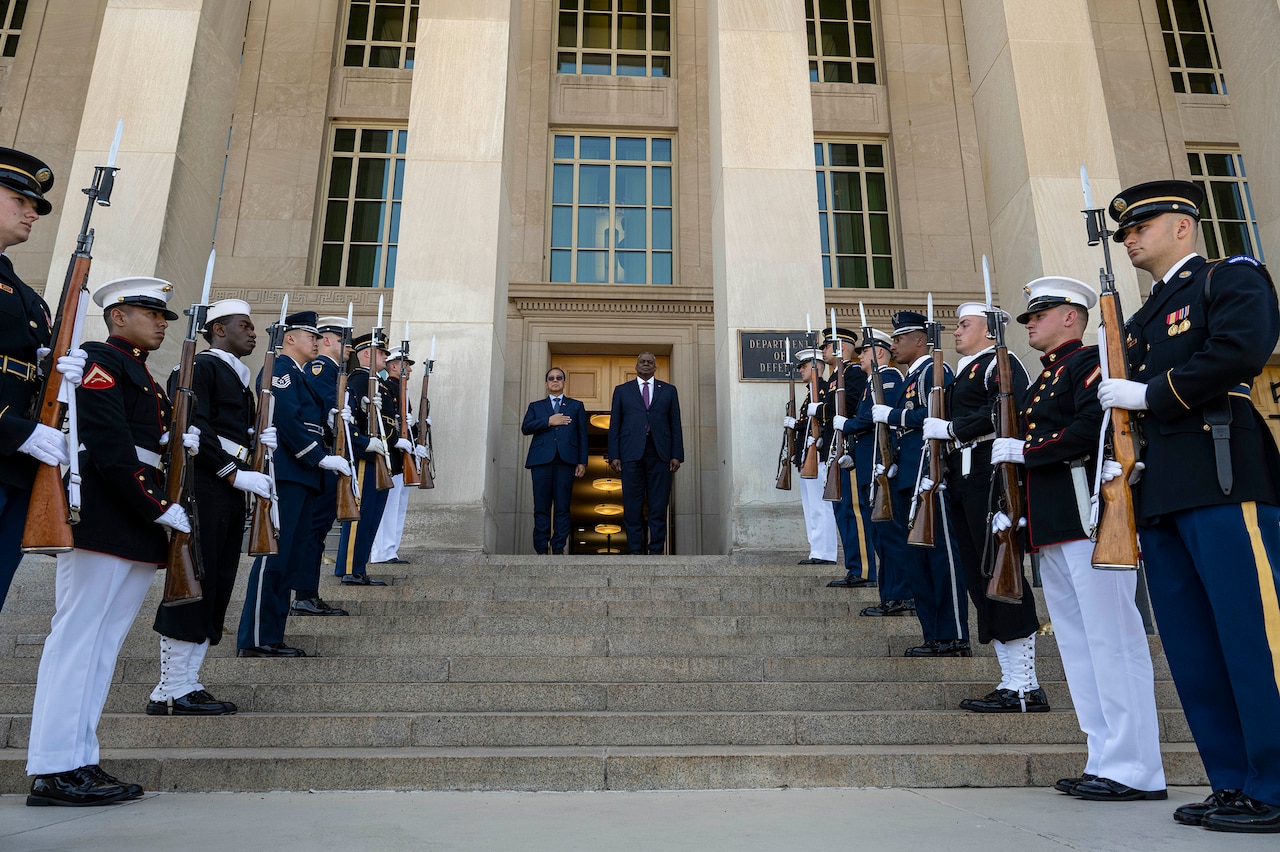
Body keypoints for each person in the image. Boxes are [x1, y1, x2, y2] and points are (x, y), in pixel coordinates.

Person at [1098, 180, 1280, 832]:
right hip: (1163, 493)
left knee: (1253, 636)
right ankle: (1232, 781)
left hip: (1224, 477)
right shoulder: (1143, 319)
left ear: (1183, 225)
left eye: (1141, 226)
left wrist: (1147, 395)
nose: (1130, 239)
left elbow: (1239, 349)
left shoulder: (1228, 279)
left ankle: (1276, 781)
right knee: (1196, 650)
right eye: (1124, 233)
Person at [992, 276, 1165, 801]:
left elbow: (1094, 426)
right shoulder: (1048, 376)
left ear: (1071, 315)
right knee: (1077, 646)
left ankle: (1136, 767)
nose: (1030, 324)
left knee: (1113, 641)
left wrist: (1027, 451)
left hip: (1089, 520)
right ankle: (1104, 757)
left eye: (1038, 315)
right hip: (1051, 524)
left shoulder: (1088, 363)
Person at [26, 277, 193, 806]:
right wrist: (155, 506)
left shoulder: (145, 374)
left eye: (165, 315)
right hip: (107, 514)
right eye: (151, 312)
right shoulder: (101, 359)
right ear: (117, 315)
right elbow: (108, 446)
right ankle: (53, 767)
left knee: (102, 649)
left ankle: (80, 758)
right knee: (76, 642)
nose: (163, 322)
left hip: (137, 523)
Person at [149, 299, 274, 715]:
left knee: (216, 586)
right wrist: (231, 472)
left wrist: (258, 448)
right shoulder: (201, 367)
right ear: (219, 328)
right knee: (193, 582)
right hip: (204, 483)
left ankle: (189, 682)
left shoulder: (237, 375)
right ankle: (168, 689)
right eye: (245, 324)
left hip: (228, 488)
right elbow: (192, 423)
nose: (253, 332)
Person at [923, 302, 1045, 712]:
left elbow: (1009, 408)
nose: (955, 332)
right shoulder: (964, 371)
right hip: (963, 475)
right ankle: (1011, 680)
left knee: (1001, 571)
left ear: (990, 331)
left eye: (964, 325)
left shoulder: (1000, 362)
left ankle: (1025, 684)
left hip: (990, 475)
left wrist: (956, 428)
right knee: (982, 579)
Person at [237, 311, 352, 657]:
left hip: (303, 475)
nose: (317, 342)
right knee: (275, 555)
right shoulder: (281, 370)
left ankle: (271, 634)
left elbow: (307, 419)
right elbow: (286, 419)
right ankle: (256, 637)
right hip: (288, 471)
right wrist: (316, 456)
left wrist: (332, 422)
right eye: (311, 336)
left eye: (318, 337)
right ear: (290, 338)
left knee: (289, 557)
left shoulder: (299, 376)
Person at [0, 147, 83, 612]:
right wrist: (18, 429)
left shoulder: (25, 293)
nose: (32, 212)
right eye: (19, 198)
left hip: (16, 462)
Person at [872, 311, 969, 656]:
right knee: (918, 561)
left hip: (930, 476)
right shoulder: (911, 377)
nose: (893, 345)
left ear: (919, 340)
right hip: (908, 478)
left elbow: (936, 415)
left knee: (941, 558)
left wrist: (893, 416)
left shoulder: (934, 370)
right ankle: (933, 634)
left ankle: (954, 634)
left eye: (899, 339)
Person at [841, 328, 914, 617]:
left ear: (879, 353)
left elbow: (875, 418)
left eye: (865, 351)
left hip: (881, 467)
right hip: (869, 467)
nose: (859, 356)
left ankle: (901, 594)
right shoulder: (874, 381)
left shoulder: (890, 379)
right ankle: (891, 595)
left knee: (890, 535)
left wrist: (846, 425)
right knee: (881, 536)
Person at [292, 315, 357, 617]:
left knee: (317, 530)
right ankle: (304, 593)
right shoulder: (321, 369)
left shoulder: (333, 371)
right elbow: (316, 414)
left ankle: (308, 592)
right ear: (328, 339)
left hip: (331, 457)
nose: (350, 349)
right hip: (321, 458)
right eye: (344, 341)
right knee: (314, 530)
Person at [335, 331, 399, 585]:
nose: (385, 356)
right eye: (381, 352)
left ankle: (358, 566)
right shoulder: (360, 380)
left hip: (380, 455)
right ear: (366, 354)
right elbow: (354, 419)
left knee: (372, 516)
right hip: (365, 456)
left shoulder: (380, 383)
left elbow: (388, 420)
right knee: (360, 514)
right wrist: (365, 443)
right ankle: (350, 568)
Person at [607, 352, 684, 554]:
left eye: (650, 362)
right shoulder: (622, 391)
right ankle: (634, 550)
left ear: (656, 367)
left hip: (660, 453)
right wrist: (614, 455)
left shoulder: (668, 390)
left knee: (658, 504)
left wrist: (677, 454)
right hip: (630, 453)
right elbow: (614, 425)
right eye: (643, 362)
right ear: (636, 366)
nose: (646, 365)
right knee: (633, 505)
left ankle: (656, 550)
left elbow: (675, 424)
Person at [813, 327, 870, 587]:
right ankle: (853, 567)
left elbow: (852, 404)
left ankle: (865, 571)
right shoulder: (836, 376)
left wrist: (822, 409)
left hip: (849, 450)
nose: (823, 351)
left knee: (853, 510)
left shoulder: (853, 373)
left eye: (827, 346)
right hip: (834, 450)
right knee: (842, 511)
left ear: (841, 347)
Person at [370, 347, 428, 564]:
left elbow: (405, 422)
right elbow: (385, 421)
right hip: (391, 457)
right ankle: (380, 551)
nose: (410, 369)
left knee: (399, 506)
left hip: (403, 456)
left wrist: (416, 442)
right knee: (388, 506)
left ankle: (391, 549)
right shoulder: (386, 388)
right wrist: (397, 441)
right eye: (405, 364)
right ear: (393, 366)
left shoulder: (401, 390)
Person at [521, 366, 587, 554]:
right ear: (546, 383)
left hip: (566, 461)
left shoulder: (576, 406)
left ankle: (558, 547)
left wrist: (582, 461)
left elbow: (583, 435)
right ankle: (541, 548)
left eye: (559, 378)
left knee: (562, 506)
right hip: (541, 461)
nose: (555, 380)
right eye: (551, 378)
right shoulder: (536, 406)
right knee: (541, 506)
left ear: (564, 383)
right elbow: (526, 427)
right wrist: (549, 421)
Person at [784, 347, 838, 567]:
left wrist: (798, 424)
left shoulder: (824, 391)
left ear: (816, 368)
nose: (801, 370)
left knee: (820, 505)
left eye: (804, 366)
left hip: (819, 457)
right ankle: (816, 549)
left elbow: (828, 419)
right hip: (807, 458)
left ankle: (825, 552)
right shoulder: (810, 394)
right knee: (810, 506)